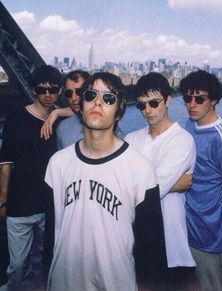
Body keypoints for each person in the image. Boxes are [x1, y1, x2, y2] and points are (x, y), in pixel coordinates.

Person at [44, 72, 167, 291]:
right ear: (81, 106)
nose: (98, 102)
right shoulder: (57, 164)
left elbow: (152, 252)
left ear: (118, 111)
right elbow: (50, 236)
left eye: (109, 98)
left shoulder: (140, 169)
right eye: (91, 95)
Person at [125, 72, 197, 291]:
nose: (147, 110)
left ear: (168, 100)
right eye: (142, 105)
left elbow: (150, 189)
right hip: (135, 241)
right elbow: (122, 185)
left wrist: (155, 186)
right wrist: (175, 185)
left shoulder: (182, 140)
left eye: (154, 103)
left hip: (169, 244)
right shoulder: (131, 139)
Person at [0, 64, 62, 291]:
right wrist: (2, 201)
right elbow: (5, 164)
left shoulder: (61, 121)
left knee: (41, 264)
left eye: (53, 90)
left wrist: (56, 112)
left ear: (60, 91)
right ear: (33, 89)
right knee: (16, 265)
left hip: (48, 206)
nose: (47, 95)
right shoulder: (16, 119)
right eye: (41, 89)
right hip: (19, 206)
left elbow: (84, 110)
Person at [179, 70, 222, 291]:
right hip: (185, 223)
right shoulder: (190, 123)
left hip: (208, 231)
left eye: (200, 99)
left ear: (214, 100)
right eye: (187, 98)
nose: (192, 105)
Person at [41, 70, 90, 149]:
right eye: (69, 94)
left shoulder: (111, 124)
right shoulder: (62, 128)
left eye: (79, 91)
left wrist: (57, 112)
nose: (73, 98)